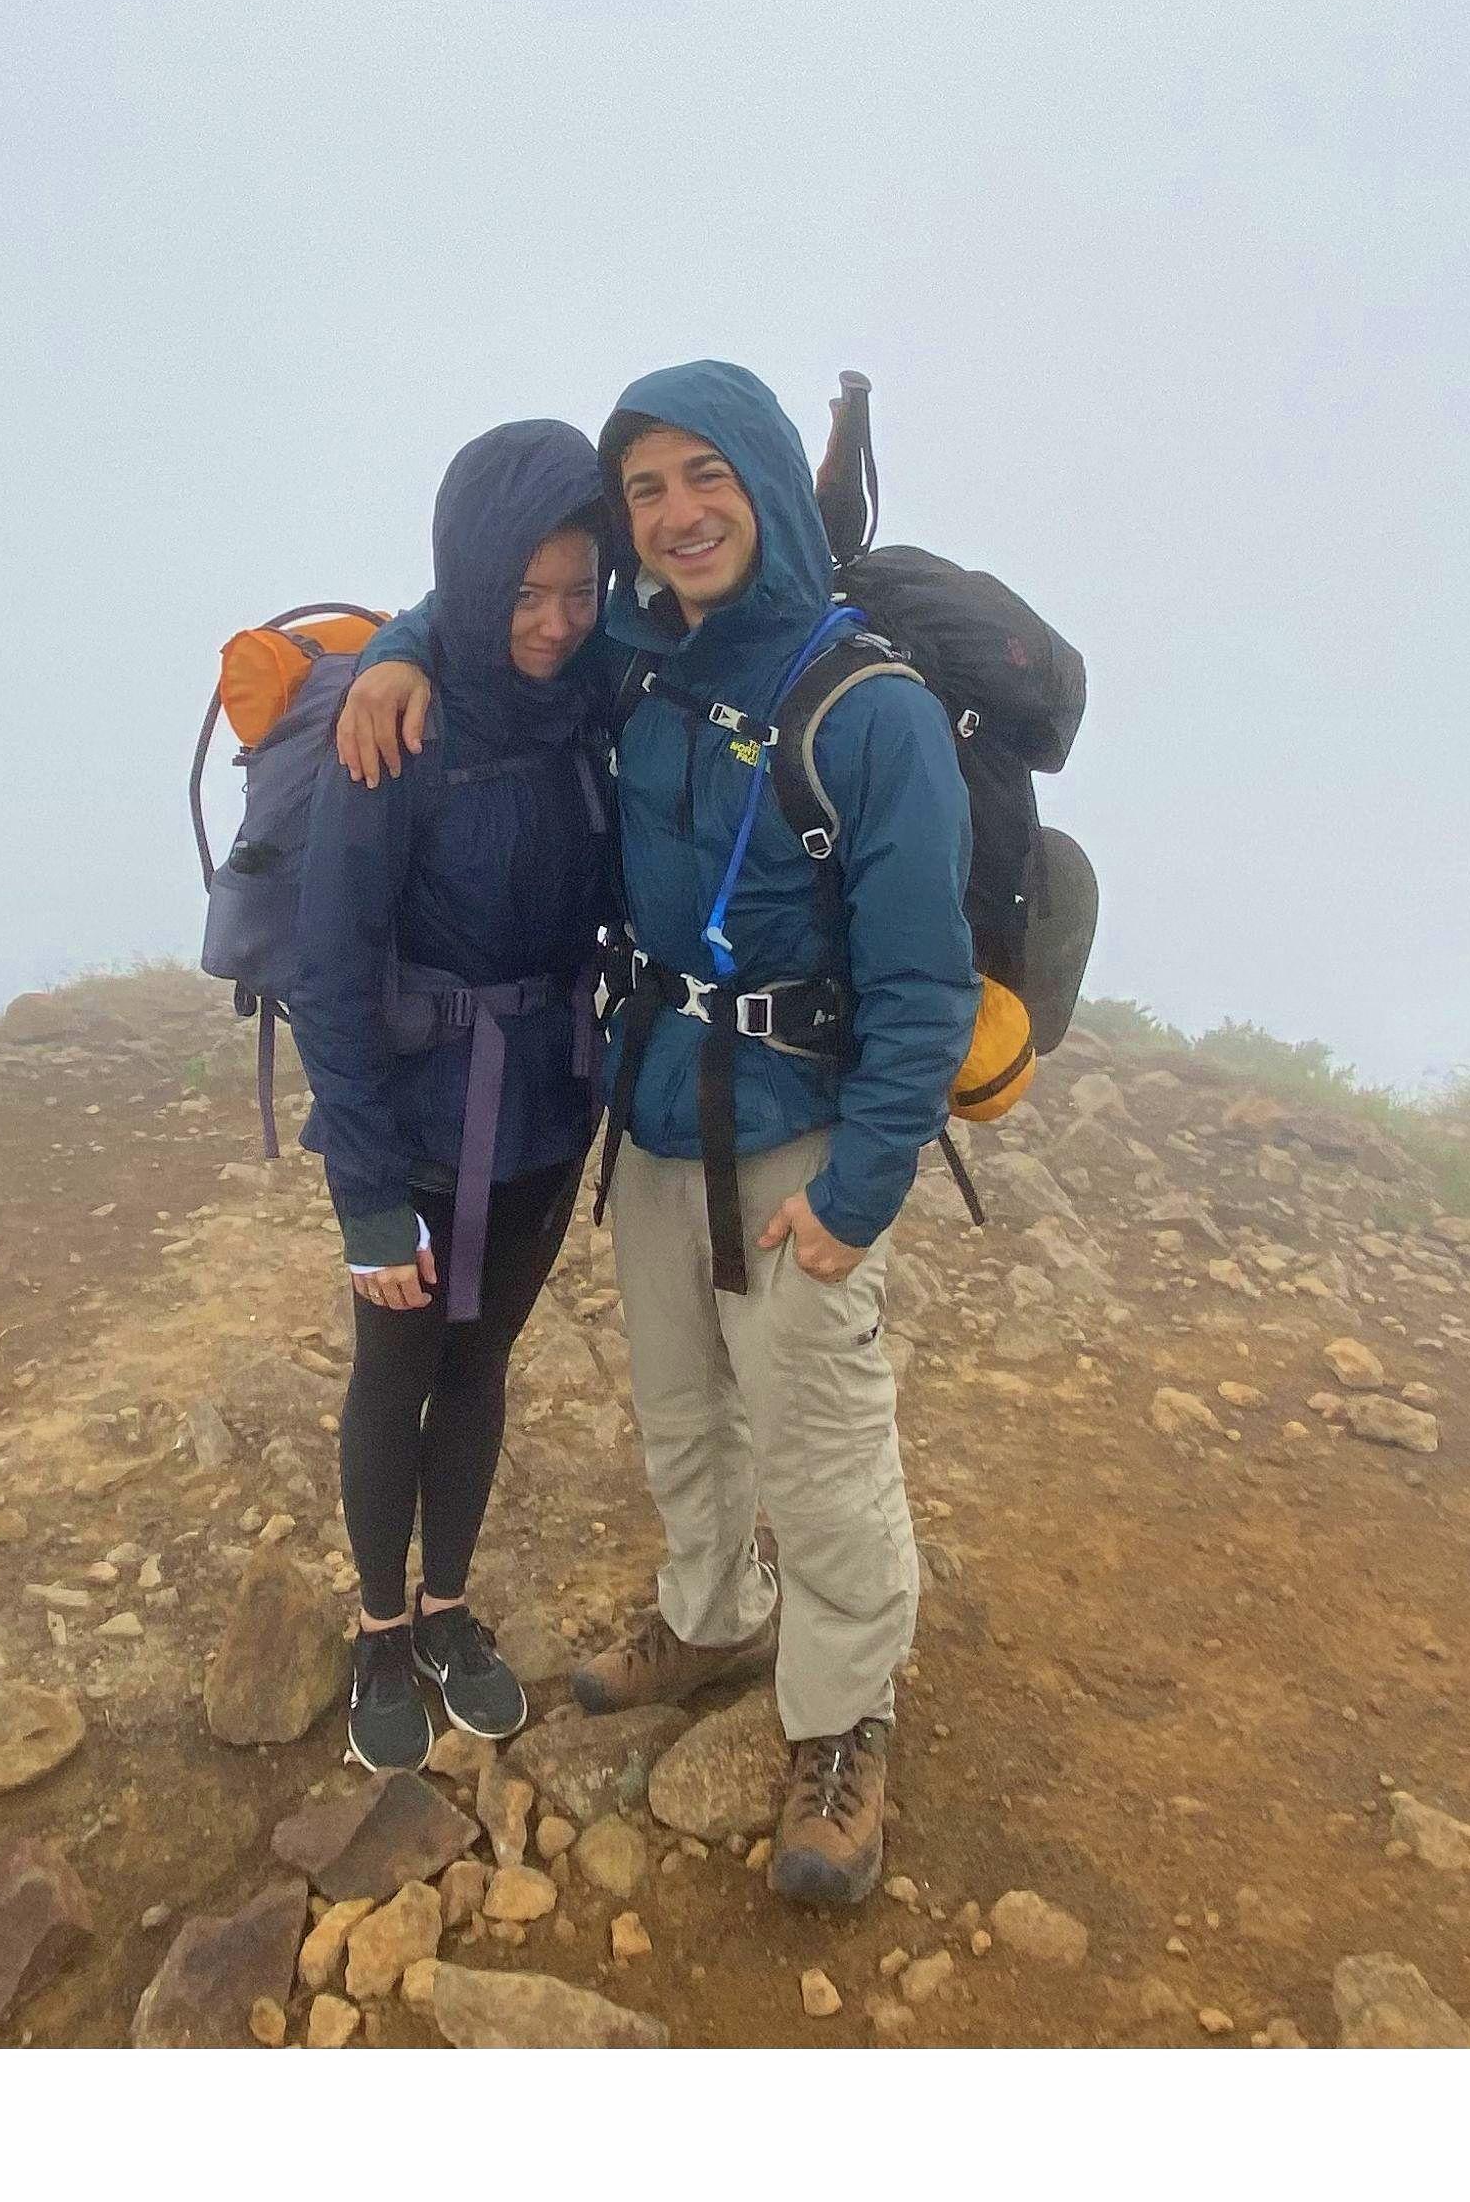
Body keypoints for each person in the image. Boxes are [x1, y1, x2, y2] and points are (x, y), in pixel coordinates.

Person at [337, 362, 975, 1903]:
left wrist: (865, 1191)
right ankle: (709, 1615)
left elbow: (925, 986)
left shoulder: (870, 712)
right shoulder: (642, 650)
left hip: (803, 1133)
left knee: (820, 1447)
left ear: (762, 477)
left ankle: (842, 1720)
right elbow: (506, 615)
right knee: (684, 1410)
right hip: (656, 1106)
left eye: (707, 476)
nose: (678, 515)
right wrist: (401, 650)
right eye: (647, 490)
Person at [289, 419, 618, 1773]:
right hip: (419, 1126)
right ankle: (376, 1625)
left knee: (482, 1369)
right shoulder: (400, 726)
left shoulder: (597, 698)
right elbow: (328, 968)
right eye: (519, 595)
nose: (550, 624)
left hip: (545, 1111)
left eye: (576, 592)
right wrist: (366, 1197)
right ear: (473, 584)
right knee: (398, 1369)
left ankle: (445, 1610)